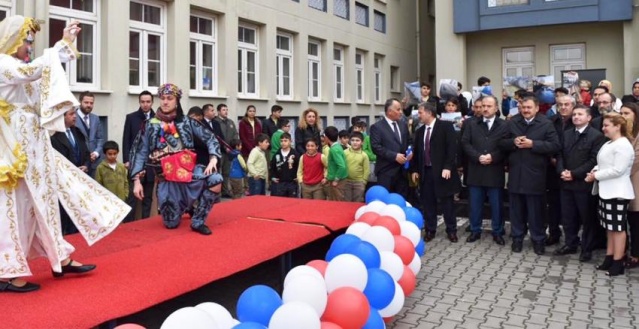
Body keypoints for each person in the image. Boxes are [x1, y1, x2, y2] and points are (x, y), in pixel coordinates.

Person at [0, 16, 129, 293]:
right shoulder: (3, 64)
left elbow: (43, 82)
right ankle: (7, 272)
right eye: (27, 40)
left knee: (45, 203)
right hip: (13, 153)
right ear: (12, 40)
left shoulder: (19, 66)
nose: (31, 46)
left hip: (34, 147)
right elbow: (34, 71)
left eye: (33, 41)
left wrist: (65, 46)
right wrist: (62, 44)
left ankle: (61, 256)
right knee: (15, 209)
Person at [130, 83, 223, 235]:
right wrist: (136, 181)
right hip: (167, 181)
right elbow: (140, 152)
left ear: (177, 101)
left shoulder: (188, 122)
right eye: (163, 98)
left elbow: (211, 139)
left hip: (190, 174)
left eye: (170, 98)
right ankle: (186, 207)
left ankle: (198, 221)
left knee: (216, 180)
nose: (165, 102)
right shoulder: (149, 125)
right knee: (171, 224)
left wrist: (213, 158)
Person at [499, 96, 561, 255]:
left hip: (536, 175)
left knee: (536, 212)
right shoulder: (512, 122)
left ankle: (538, 240)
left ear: (536, 108)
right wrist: (513, 142)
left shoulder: (546, 123)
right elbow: (501, 143)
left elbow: (554, 145)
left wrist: (533, 144)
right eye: (523, 107)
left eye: (528, 107)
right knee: (516, 211)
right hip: (516, 174)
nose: (525, 110)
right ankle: (517, 239)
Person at [586, 114, 635, 276]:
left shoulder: (623, 145)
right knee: (609, 227)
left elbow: (618, 170)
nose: (603, 128)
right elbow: (601, 163)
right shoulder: (609, 143)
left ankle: (618, 262)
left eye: (607, 125)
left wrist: (596, 176)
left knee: (618, 228)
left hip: (618, 192)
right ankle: (609, 257)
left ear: (617, 127)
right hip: (606, 191)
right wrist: (593, 172)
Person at [554, 106, 605, 261]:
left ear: (589, 118)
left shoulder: (596, 136)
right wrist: (562, 170)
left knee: (587, 218)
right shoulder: (566, 134)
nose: (576, 117)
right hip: (566, 183)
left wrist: (574, 174)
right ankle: (570, 243)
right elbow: (560, 154)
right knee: (568, 217)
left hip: (584, 184)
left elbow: (593, 160)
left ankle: (587, 248)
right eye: (574, 114)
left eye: (580, 114)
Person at [410, 102, 460, 243]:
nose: (418, 115)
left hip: (443, 172)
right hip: (425, 172)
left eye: (420, 112)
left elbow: (452, 149)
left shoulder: (445, 127)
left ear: (429, 113)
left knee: (447, 203)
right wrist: (414, 170)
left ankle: (451, 230)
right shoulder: (420, 132)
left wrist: (448, 167)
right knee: (428, 203)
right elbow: (417, 153)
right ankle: (430, 230)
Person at [461, 95, 507, 245]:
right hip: (476, 170)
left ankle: (498, 231)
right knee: (475, 204)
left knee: (497, 205)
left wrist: (493, 157)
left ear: (496, 108)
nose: (485, 109)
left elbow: (506, 147)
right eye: (483, 106)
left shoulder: (504, 125)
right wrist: (478, 156)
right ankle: (475, 230)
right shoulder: (471, 124)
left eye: (489, 106)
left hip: (494, 171)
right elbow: (465, 143)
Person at [50, 108, 91, 235]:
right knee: (64, 214)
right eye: (71, 114)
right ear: (62, 117)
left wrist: (86, 165)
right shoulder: (54, 136)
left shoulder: (77, 132)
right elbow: (56, 158)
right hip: (63, 182)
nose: (75, 116)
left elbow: (86, 152)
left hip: (78, 181)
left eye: (75, 113)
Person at [122, 90, 155, 221]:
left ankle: (146, 222)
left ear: (152, 102)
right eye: (143, 102)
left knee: (148, 196)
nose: (145, 104)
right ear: (139, 102)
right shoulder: (131, 117)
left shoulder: (157, 118)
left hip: (151, 163)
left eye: (148, 102)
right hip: (135, 162)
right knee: (133, 196)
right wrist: (126, 160)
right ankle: (129, 222)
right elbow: (126, 140)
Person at [370, 98, 411, 196]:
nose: (401, 112)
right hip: (386, 172)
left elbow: (409, 141)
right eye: (398, 109)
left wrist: (411, 151)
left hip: (402, 172)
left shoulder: (403, 125)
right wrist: (394, 156)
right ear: (389, 111)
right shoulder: (377, 127)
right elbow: (376, 147)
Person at [621, 102, 639, 269]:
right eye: (621, 113)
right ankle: (623, 250)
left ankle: (635, 254)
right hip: (622, 185)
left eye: (627, 113)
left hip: (635, 183)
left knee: (635, 221)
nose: (623, 116)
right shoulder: (622, 134)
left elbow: (634, 161)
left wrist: (618, 170)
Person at [75, 91, 105, 177]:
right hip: (80, 163)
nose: (89, 105)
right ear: (80, 102)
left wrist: (96, 153)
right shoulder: (73, 117)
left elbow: (100, 139)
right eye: (86, 102)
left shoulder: (96, 118)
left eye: (91, 103)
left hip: (95, 163)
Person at [215, 103, 239, 198]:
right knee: (217, 171)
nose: (226, 111)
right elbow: (217, 137)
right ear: (219, 111)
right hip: (219, 151)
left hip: (229, 151)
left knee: (226, 172)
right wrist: (224, 147)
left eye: (226, 109)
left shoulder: (230, 122)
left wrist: (233, 146)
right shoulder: (216, 122)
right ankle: (217, 192)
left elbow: (235, 134)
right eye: (223, 110)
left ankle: (225, 191)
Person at [270, 132, 299, 198]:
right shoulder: (277, 154)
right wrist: (272, 177)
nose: (283, 143)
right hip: (280, 183)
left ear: (290, 141)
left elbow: (299, 167)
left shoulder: (295, 154)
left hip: (292, 183)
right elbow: (272, 167)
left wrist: (298, 176)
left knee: (292, 203)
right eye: (281, 141)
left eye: (285, 141)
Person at [344, 131, 370, 202]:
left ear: (362, 142)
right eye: (353, 140)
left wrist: (363, 182)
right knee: (346, 202)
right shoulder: (345, 153)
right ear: (350, 141)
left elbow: (366, 170)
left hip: (359, 183)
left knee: (357, 202)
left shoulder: (364, 155)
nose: (355, 142)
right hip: (346, 182)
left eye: (357, 140)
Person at [325, 126, 348, 201]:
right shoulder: (338, 146)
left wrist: (336, 180)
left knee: (336, 201)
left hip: (338, 181)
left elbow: (342, 166)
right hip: (336, 179)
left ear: (327, 138)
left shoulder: (334, 149)